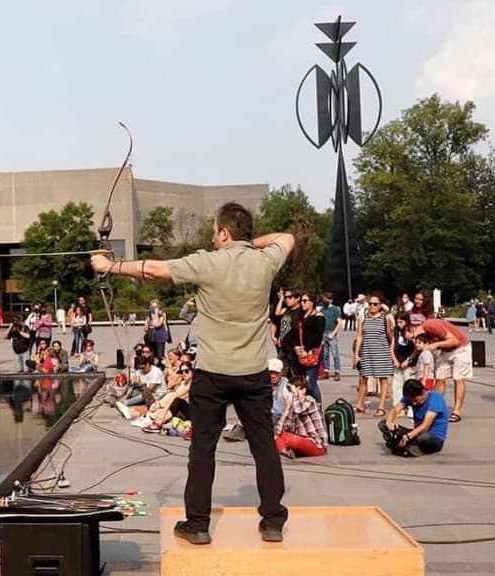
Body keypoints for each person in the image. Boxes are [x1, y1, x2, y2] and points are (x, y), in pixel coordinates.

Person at [91, 201, 293, 545]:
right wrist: (250, 244)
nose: (213, 238)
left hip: (213, 374)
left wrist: (109, 266)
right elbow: (287, 238)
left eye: (216, 232)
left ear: (224, 233)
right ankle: (272, 520)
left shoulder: (207, 262)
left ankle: (198, 525)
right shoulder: (266, 261)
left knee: (203, 448)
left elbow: (153, 270)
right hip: (253, 373)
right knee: (263, 447)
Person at [407, 314, 471, 422]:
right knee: (440, 377)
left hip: (461, 348)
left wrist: (435, 345)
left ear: (414, 328)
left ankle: (456, 411)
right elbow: (419, 348)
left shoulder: (431, 325)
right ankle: (435, 407)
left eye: (413, 337)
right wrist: (410, 359)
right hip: (446, 351)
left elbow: (454, 341)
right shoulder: (422, 333)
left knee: (458, 378)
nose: (414, 341)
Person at [381, 378, 448, 457]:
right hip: (415, 433)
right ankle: (408, 445)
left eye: (417, 400)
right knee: (383, 424)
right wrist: (390, 422)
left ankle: (409, 445)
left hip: (433, 437)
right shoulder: (410, 397)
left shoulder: (435, 399)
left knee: (423, 438)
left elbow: (425, 426)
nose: (414, 403)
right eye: (412, 401)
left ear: (423, 392)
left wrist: (407, 436)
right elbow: (395, 409)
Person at [353, 294, 394, 417]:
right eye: (370, 303)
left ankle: (381, 407)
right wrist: (356, 353)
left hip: (381, 351)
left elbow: (390, 335)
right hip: (367, 350)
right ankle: (360, 404)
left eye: (375, 304)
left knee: (382, 379)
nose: (372, 306)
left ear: (380, 305)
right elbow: (359, 335)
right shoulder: (363, 316)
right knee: (363, 378)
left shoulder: (385, 317)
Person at [283, 291, 324, 404]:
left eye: (305, 301)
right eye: (301, 301)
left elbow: (318, 336)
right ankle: (302, 404)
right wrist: (296, 347)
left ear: (312, 302)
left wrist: (308, 350)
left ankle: (317, 405)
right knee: (299, 382)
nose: (302, 303)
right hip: (299, 353)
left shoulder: (318, 317)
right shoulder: (300, 317)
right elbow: (293, 334)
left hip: (312, 352)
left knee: (310, 383)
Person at [274, 375, 328, 458]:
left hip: (317, 444)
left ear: (303, 390)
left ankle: (282, 448)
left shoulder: (310, 400)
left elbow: (298, 410)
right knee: (273, 436)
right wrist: (287, 408)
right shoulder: (293, 404)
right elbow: (280, 428)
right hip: (301, 441)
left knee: (290, 439)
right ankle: (285, 451)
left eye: (294, 390)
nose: (290, 393)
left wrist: (292, 399)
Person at [319, 292, 343, 381]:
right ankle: (326, 371)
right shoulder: (322, 310)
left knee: (335, 353)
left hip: (331, 332)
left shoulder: (335, 309)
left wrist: (333, 333)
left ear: (331, 300)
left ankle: (337, 371)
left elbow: (339, 322)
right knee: (325, 354)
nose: (325, 300)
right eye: (324, 298)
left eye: (327, 298)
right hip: (323, 333)